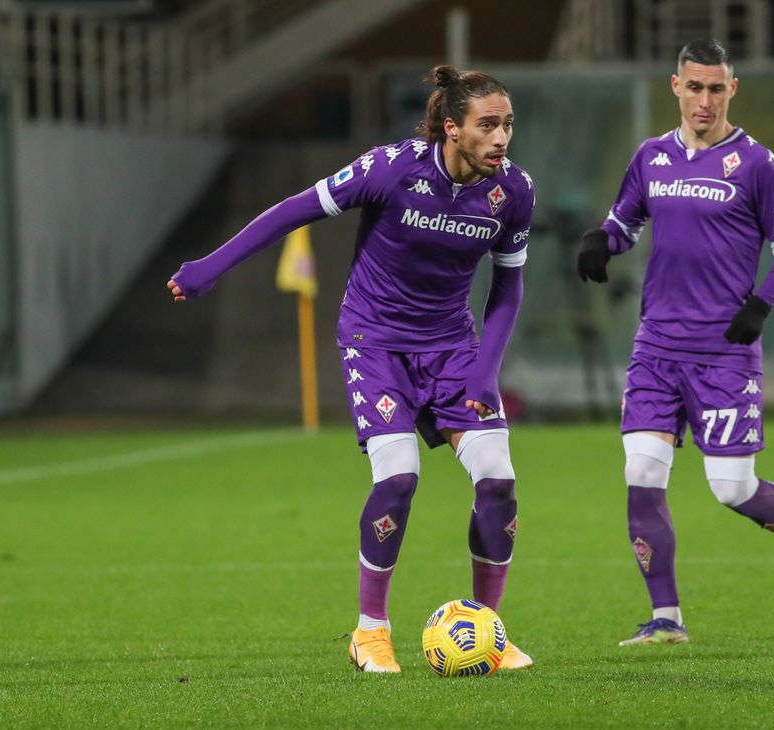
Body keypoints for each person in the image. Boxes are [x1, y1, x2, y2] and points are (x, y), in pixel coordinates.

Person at [167, 66, 536, 673]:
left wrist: (485, 372)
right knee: (398, 478)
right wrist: (210, 267)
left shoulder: (513, 191)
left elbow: (508, 288)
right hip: (375, 342)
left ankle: (488, 630)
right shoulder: (391, 168)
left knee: (498, 481)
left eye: (508, 125)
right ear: (452, 127)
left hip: (452, 349)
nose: (501, 138)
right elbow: (292, 211)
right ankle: (370, 632)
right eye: (487, 125)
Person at [576, 39, 774, 645]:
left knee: (731, 487)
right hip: (656, 347)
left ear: (732, 90)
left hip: (723, 352)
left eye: (716, 88)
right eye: (694, 87)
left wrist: (760, 304)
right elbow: (625, 222)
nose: (704, 100)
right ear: (675, 87)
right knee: (642, 471)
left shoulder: (755, 163)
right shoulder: (651, 157)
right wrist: (601, 241)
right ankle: (666, 618)